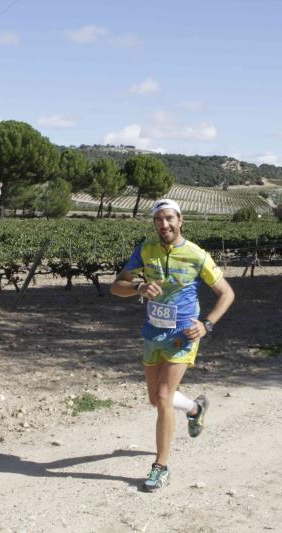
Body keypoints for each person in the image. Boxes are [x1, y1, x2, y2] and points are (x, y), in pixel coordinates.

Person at [111, 199, 235, 492]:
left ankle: (160, 467)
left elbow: (227, 294)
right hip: (153, 334)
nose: (163, 225)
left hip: (183, 336)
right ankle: (194, 408)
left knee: (164, 397)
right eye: (158, 220)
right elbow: (117, 286)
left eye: (169, 218)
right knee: (156, 400)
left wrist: (207, 325)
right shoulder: (145, 250)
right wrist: (138, 287)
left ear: (180, 220)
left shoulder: (196, 255)